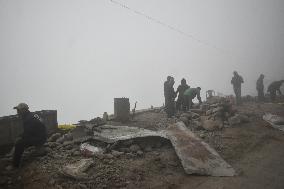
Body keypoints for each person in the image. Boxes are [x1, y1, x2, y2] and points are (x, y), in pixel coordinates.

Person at [12, 103, 47, 168]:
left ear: (24, 110)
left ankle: (15, 165)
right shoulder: (33, 115)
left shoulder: (28, 119)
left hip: (39, 138)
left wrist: (19, 137)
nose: (17, 112)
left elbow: (27, 133)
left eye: (18, 110)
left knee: (19, 144)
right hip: (42, 136)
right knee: (22, 139)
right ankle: (39, 148)